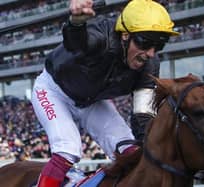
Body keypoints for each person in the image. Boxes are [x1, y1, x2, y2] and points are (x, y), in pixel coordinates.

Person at [31, 0, 179, 186]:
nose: (150, 53)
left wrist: (151, 149)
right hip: (53, 91)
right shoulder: (100, 37)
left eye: (158, 46)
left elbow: (143, 114)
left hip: (90, 101)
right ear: (125, 35)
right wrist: (76, 23)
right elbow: (77, 43)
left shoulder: (149, 66)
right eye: (146, 42)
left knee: (130, 149)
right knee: (68, 148)